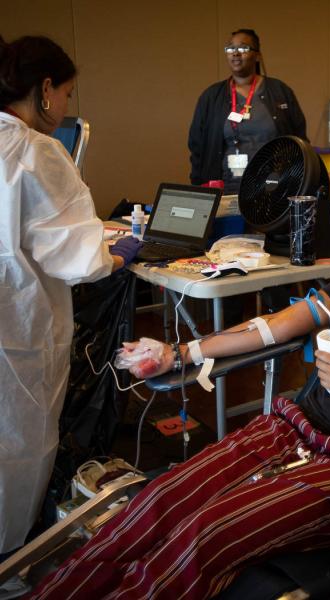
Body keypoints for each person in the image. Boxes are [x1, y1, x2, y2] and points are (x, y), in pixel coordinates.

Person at [31, 163, 330, 599]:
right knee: (156, 503)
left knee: (205, 533)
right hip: (290, 427)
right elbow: (274, 326)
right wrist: (182, 352)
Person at [0, 35, 142, 564]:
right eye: (65, 94)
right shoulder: (35, 151)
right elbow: (77, 257)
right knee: (17, 446)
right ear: (43, 89)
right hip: (14, 334)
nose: (64, 109)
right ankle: (12, 567)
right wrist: (120, 253)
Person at [188, 28, 307, 194]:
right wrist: (198, 190)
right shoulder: (211, 96)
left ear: (257, 55)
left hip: (273, 188)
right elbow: (197, 147)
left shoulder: (280, 92)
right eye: (230, 48)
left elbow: (300, 140)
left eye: (243, 48)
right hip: (227, 188)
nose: (235, 53)